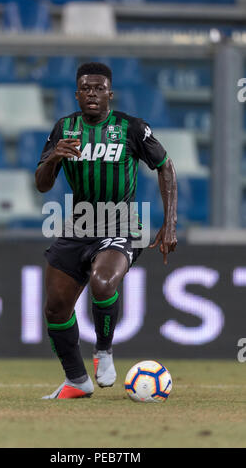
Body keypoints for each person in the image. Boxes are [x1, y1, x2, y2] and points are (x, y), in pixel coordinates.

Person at [35, 62, 177, 399]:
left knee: (102, 281)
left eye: (99, 88)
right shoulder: (64, 128)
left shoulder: (130, 128)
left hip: (124, 222)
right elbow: (42, 185)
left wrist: (169, 223)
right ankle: (77, 381)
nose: (92, 94)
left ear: (110, 93)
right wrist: (54, 158)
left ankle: (103, 351)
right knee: (55, 307)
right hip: (79, 224)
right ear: (77, 94)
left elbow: (165, 166)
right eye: (86, 88)